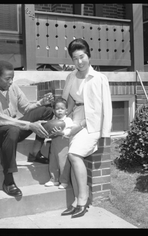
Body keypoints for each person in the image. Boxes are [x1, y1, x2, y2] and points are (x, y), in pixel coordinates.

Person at [0, 60, 54, 197]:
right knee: (12, 130)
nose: (11, 81)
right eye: (7, 79)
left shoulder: (13, 88)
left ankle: (35, 153)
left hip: (14, 127)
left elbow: (26, 108)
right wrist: (29, 125)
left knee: (46, 110)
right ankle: (8, 181)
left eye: (12, 78)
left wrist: (41, 103)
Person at [61, 38, 112, 218]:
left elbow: (106, 106)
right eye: (75, 58)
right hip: (76, 118)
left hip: (92, 124)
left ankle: (83, 199)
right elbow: (66, 101)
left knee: (74, 154)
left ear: (89, 55)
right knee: (72, 156)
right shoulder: (71, 77)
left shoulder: (99, 78)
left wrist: (104, 133)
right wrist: (62, 121)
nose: (79, 62)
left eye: (82, 57)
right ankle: (77, 201)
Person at [44, 97, 74, 189]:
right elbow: (50, 131)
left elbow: (70, 132)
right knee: (53, 162)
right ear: (53, 110)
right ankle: (54, 179)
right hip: (54, 144)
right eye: (57, 109)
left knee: (63, 163)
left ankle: (64, 181)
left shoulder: (68, 120)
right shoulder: (53, 121)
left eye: (62, 109)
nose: (59, 111)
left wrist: (62, 132)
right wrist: (48, 137)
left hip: (63, 145)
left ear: (66, 110)